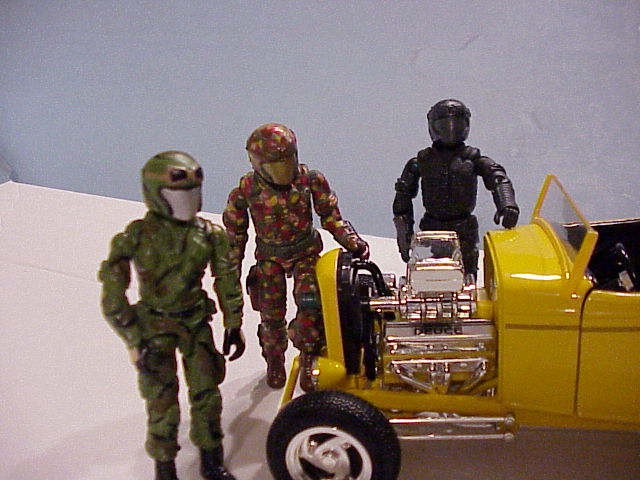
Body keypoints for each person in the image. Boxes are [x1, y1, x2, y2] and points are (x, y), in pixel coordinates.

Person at [99, 151, 245, 480]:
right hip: (153, 327)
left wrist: (233, 323)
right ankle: (164, 467)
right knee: (161, 400)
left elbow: (227, 278)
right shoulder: (136, 236)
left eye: (193, 192)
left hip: (195, 322)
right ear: (156, 195)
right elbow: (113, 292)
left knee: (207, 394)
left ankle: (211, 461)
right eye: (178, 194)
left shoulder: (209, 234)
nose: (188, 201)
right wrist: (133, 337)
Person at [223, 123, 369, 391]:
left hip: (305, 253)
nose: (283, 169)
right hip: (269, 259)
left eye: (287, 160)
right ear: (258, 164)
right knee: (271, 316)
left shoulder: (310, 180)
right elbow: (234, 238)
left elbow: (330, 215)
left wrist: (351, 241)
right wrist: (230, 274)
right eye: (275, 164)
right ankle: (274, 359)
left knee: (311, 308)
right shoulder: (245, 192)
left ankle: (309, 357)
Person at [393, 99, 519, 279]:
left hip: (463, 227)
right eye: (444, 124)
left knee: (467, 276)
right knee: (430, 276)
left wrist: (507, 204)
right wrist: (404, 235)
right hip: (432, 228)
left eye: (456, 123)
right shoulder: (422, 161)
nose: (450, 129)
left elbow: (498, 179)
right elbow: (403, 197)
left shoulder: (472, 158)